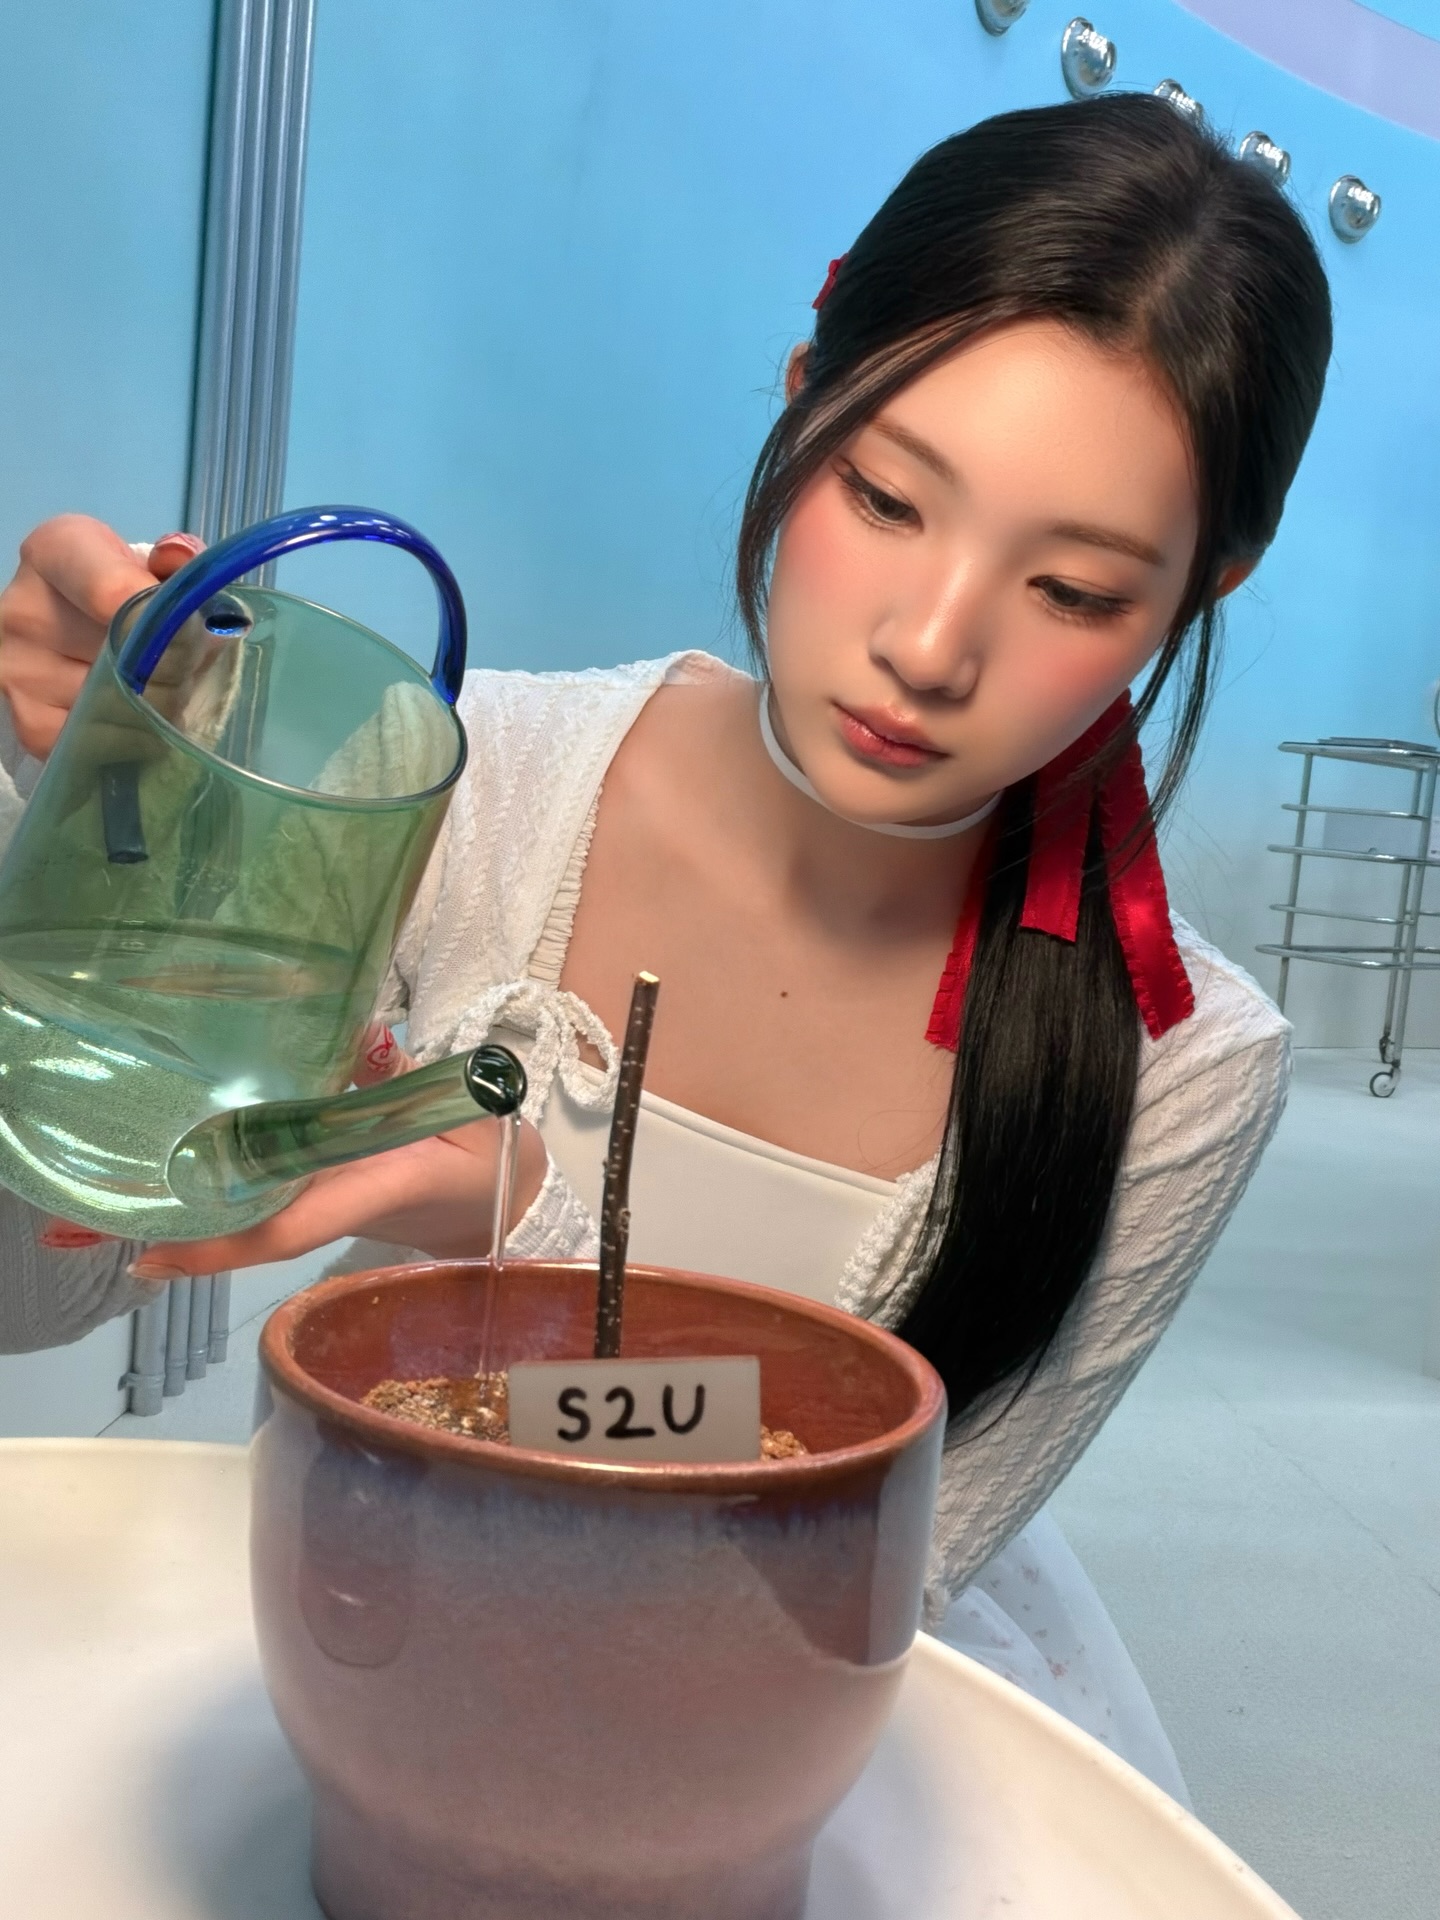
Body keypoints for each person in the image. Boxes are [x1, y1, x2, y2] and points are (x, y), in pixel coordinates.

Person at [0, 95, 1331, 1799]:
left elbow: (877, 1566)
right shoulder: (471, 785)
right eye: (886, 496)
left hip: (770, 1744)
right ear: (801, 395)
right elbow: (40, 1289)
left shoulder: (1182, 1061)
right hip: (367, 1631)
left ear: (1204, 589)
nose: (930, 645)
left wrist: (520, 1236)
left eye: (1074, 591)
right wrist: (78, 827)